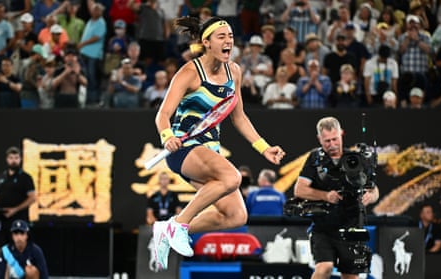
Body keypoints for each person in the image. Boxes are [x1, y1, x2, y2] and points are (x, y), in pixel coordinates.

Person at [151, 16, 285, 271]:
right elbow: (163, 114)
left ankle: (170, 227)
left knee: (236, 216)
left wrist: (264, 147)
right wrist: (167, 137)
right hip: (184, 149)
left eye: (231, 37)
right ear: (207, 42)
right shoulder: (190, 71)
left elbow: (239, 116)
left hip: (209, 151)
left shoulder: (234, 71)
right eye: (222, 37)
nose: (228, 42)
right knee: (233, 177)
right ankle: (178, 226)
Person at [293, 116, 379, 279]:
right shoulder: (315, 158)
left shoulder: (355, 159)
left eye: (335, 139)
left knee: (351, 276)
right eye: (327, 141)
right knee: (324, 268)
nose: (332, 145)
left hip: (351, 226)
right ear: (319, 139)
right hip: (323, 227)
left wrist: (371, 196)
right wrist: (326, 196)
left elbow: (374, 190)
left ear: (342, 134)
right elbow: (299, 190)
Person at [0, 147, 36, 249]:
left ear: (20, 159)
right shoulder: (1, 177)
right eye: (11, 158)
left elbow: (32, 198)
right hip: (2, 218)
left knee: (19, 247)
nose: (14, 161)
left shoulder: (26, 178)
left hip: (19, 218)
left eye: (16, 158)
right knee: (1, 248)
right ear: (7, 159)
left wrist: (15, 209)